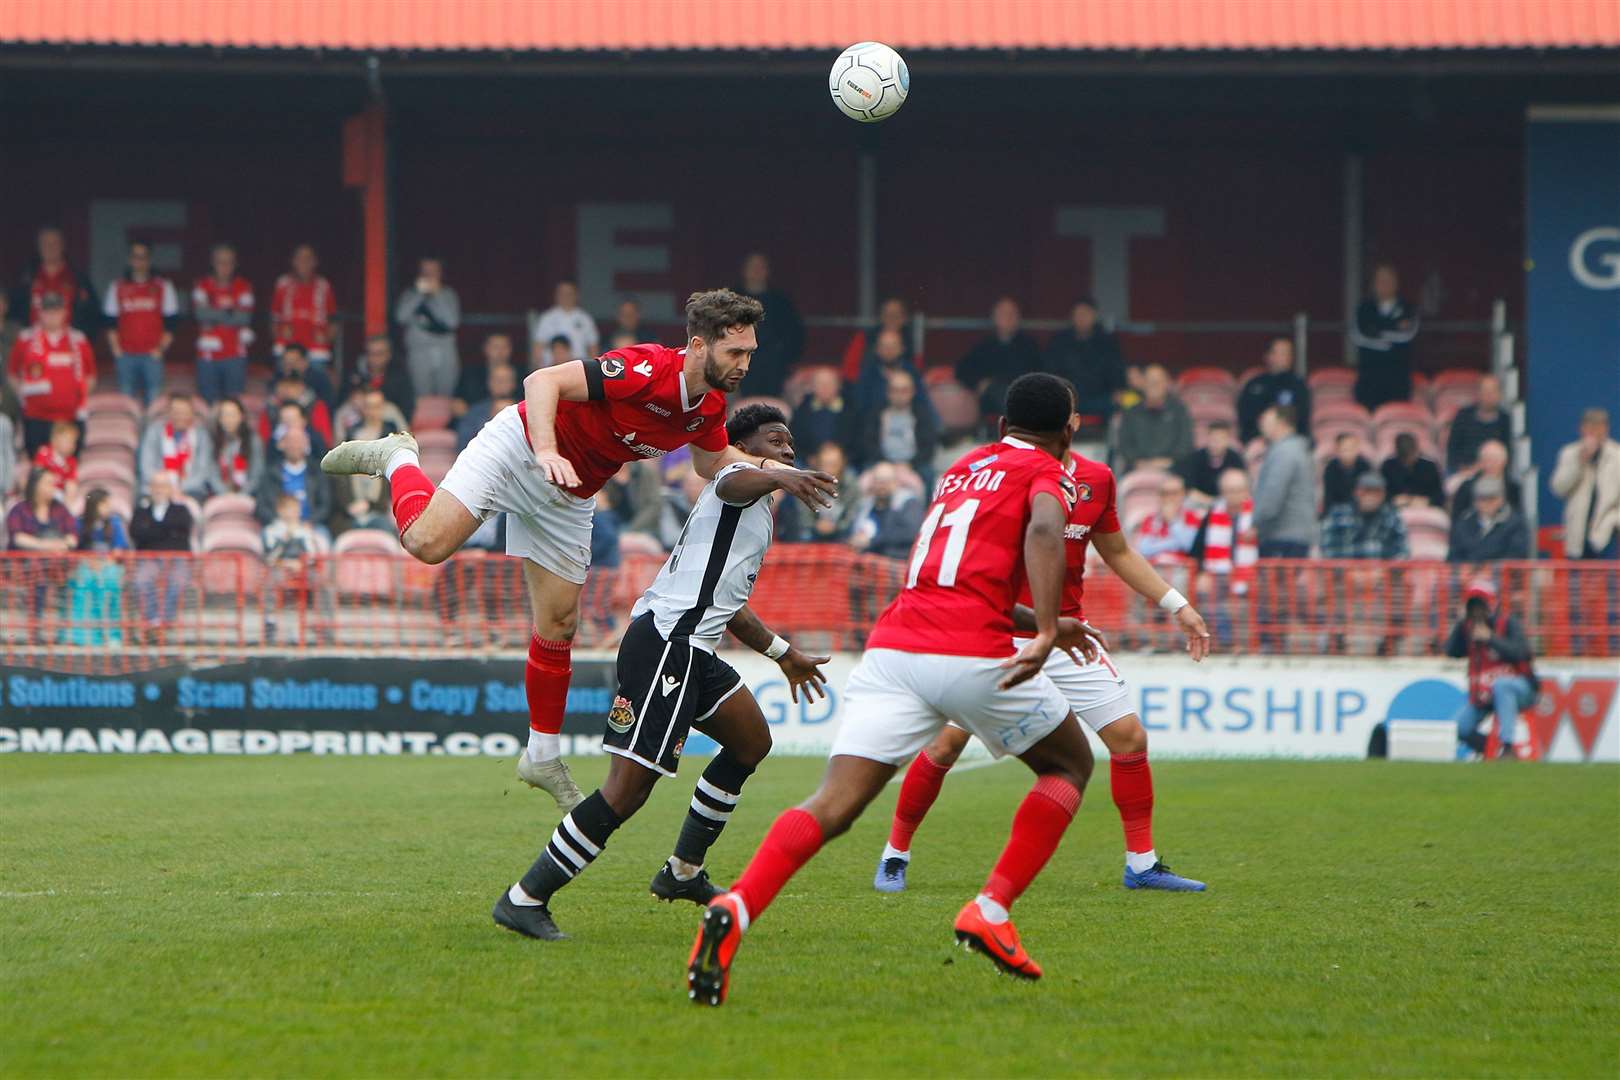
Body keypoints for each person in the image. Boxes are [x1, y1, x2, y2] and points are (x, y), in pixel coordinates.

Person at [682, 373, 1134, 1004]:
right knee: (1069, 764)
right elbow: (1041, 532)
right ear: (1070, 431)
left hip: (894, 648)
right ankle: (993, 910)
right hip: (969, 651)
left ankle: (739, 903)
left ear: (1000, 428)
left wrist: (1043, 627)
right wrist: (1051, 625)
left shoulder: (960, 469)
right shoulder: (1052, 472)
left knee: (832, 804)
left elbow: (956, 576)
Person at [320, 289, 836, 814]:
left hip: (571, 492)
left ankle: (541, 755)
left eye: (749, 352)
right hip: (521, 448)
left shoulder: (709, 406)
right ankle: (397, 458)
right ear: (699, 345)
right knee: (426, 544)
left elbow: (712, 463)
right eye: (736, 352)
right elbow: (542, 381)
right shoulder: (645, 368)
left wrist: (783, 474)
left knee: (560, 623)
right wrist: (545, 449)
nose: (745, 363)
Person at [492, 405, 835, 941]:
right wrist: (776, 473)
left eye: (792, 444)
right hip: (667, 646)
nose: (789, 451)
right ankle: (525, 898)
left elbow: (731, 606)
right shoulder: (732, 478)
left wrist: (782, 653)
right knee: (626, 793)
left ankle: (682, 873)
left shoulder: (757, 508)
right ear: (745, 447)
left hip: (694, 650)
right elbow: (736, 478)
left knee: (750, 742)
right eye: (777, 440)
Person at [872, 422, 1211, 896]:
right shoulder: (1005, 477)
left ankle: (1142, 864)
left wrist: (1178, 605)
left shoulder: (1097, 479)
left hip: (1067, 635)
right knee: (946, 746)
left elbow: (1117, 551)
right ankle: (895, 855)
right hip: (998, 632)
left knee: (1128, 737)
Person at [1447, 579, 1536, 760]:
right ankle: (1490, 749)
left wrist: (1491, 638)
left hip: (1520, 689)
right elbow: (1451, 650)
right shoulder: (1467, 628)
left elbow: (1522, 653)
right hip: (1484, 694)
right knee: (1459, 728)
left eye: (1481, 606)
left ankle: (1508, 747)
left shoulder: (1508, 623)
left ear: (1491, 605)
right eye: (1473, 607)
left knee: (1502, 686)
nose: (1478, 612)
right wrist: (1460, 624)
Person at [8, 292, 95, 455]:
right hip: (36, 417)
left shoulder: (78, 339)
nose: (52, 316)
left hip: (70, 416)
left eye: (56, 311)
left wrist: (77, 397)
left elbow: (90, 376)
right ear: (40, 313)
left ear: (64, 312)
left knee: (69, 465)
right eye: (47, 311)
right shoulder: (25, 339)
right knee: (38, 467)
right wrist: (23, 396)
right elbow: (12, 373)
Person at [1042, 297, 1126, 441]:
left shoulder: (1107, 342)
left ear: (1094, 316)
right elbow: (1050, 372)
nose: (1082, 318)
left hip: (1099, 397)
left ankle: (1108, 453)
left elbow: (1117, 370)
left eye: (1086, 314)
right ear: (1072, 317)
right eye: (1078, 314)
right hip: (1067, 399)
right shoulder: (1059, 341)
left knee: (1117, 406)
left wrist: (1118, 390)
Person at [954, 297, 1039, 429]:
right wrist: (979, 383)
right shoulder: (984, 345)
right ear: (994, 317)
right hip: (991, 399)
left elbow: (1036, 373)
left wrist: (994, 381)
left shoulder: (1029, 345)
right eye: (1003, 314)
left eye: (1011, 314)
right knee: (996, 391)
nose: (1007, 318)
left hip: (1022, 395)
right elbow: (962, 371)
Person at [129, 471, 194, 639]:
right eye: (155, 486)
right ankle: (152, 621)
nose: (159, 490)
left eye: (163, 486)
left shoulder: (181, 510)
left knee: (178, 581)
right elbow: (136, 532)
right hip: (149, 557)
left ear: (170, 489)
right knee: (140, 579)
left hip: (176, 557)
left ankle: (165, 622)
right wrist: (166, 531)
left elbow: (183, 529)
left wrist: (152, 530)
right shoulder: (141, 511)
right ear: (150, 488)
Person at [1550, 408, 1620, 559]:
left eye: (1598, 428)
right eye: (1590, 428)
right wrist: (1579, 462)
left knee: (1605, 580)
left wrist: (1615, 520)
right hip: (1577, 531)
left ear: (1606, 429)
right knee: (1578, 580)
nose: (1594, 433)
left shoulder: (1617, 456)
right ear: (1581, 429)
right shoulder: (1569, 453)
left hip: (1607, 533)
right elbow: (1559, 488)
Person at [1351, 263, 1419, 412]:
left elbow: (1406, 336)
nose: (1384, 284)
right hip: (1368, 383)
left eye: (1388, 280)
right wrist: (1393, 329)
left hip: (1398, 382)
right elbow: (1359, 337)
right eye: (1380, 280)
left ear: (1396, 283)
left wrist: (1376, 330)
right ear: (1374, 284)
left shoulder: (1408, 308)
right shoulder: (1363, 308)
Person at [734, 253, 803, 400]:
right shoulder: (731, 300)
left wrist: (783, 358)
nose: (756, 271)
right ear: (744, 270)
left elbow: (795, 335)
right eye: (752, 267)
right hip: (738, 366)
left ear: (767, 271)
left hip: (773, 367)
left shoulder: (781, 302)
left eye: (760, 267)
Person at [191, 242, 254, 404]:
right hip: (207, 355)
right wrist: (230, 312)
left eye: (229, 262)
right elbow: (200, 314)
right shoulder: (202, 285)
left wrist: (213, 313)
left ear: (235, 264)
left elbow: (244, 317)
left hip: (235, 354)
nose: (224, 266)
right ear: (213, 263)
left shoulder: (244, 286)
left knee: (233, 403)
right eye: (220, 262)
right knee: (207, 403)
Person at [1252, 405, 1315, 558]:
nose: (1262, 425)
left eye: (1266, 420)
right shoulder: (1298, 449)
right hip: (1296, 534)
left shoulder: (1284, 452)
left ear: (1281, 423)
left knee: (1276, 582)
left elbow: (1273, 494)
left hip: (1282, 535)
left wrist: (1257, 524)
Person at [68, 487, 129, 645]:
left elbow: (118, 549)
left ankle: (111, 635)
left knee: (107, 585)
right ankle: (82, 636)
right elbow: (75, 550)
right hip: (86, 566)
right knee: (83, 583)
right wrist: (89, 561)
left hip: (108, 566)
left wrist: (104, 563)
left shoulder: (114, 523)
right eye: (104, 504)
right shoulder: (79, 523)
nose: (108, 508)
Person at [395, 256, 462, 398]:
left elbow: (452, 322)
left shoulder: (448, 294)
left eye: (433, 272)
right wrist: (419, 294)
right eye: (425, 272)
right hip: (418, 352)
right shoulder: (410, 294)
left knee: (445, 397)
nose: (429, 276)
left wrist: (436, 294)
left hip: (445, 352)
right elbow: (401, 317)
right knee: (421, 397)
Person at [1115, 364, 1194, 474]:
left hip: (1174, 469)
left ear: (1167, 384)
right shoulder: (1131, 413)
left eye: (1158, 381)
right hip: (1137, 469)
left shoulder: (1180, 411)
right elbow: (1124, 445)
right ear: (1143, 383)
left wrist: (1169, 461)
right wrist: (1140, 462)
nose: (1153, 385)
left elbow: (1186, 444)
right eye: (1150, 381)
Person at [860, 369, 937, 480]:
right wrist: (886, 463)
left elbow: (928, 447)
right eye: (895, 390)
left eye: (904, 390)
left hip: (914, 465)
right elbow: (869, 443)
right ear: (888, 392)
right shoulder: (876, 413)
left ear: (912, 392)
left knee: (928, 475)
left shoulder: (922, 414)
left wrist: (910, 464)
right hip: (881, 462)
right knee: (863, 478)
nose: (899, 395)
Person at [776, 441, 860, 543]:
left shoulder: (851, 485)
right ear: (817, 464)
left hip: (842, 534)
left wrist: (836, 527)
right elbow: (803, 516)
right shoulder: (805, 483)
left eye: (834, 465)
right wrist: (816, 525)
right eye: (825, 464)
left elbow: (852, 515)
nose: (829, 470)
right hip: (811, 534)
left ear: (842, 464)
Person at [12, 225, 94, 330]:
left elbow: (92, 316)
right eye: (45, 243)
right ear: (38, 247)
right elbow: (13, 315)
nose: (50, 247)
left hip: (68, 343)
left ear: (63, 246)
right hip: (33, 342)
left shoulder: (79, 279)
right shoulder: (26, 279)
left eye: (55, 243)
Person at [256, 428, 332, 534]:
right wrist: (279, 523)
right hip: (278, 526)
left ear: (306, 444)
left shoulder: (317, 472)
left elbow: (325, 505)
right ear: (281, 444)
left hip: (311, 526)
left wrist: (310, 522)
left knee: (323, 537)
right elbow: (262, 506)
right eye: (290, 441)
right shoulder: (270, 473)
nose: (295, 446)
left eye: (299, 441)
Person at [1237, 337, 1311, 444]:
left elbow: (1301, 420)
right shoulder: (1254, 384)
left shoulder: (1299, 385)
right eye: (1280, 353)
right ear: (1267, 356)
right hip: (1257, 441)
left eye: (1287, 353)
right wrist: (1259, 439)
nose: (1284, 357)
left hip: (1291, 440)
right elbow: (1245, 418)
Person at [139, 392, 213, 498]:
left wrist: (179, 488)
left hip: (190, 490)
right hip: (156, 489)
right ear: (168, 413)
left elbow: (203, 471)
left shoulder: (201, 435)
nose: (180, 416)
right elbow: (146, 467)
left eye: (184, 412)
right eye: (176, 412)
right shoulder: (154, 431)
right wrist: (163, 487)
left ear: (192, 413)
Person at [271, 244, 336, 365]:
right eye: (299, 258)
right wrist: (278, 334)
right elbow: (273, 318)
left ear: (315, 262)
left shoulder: (324, 285)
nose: (303, 262)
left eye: (308, 259)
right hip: (287, 346)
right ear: (293, 262)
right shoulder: (282, 283)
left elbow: (333, 320)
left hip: (316, 348)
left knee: (316, 381)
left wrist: (326, 339)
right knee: (286, 382)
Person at [1320, 472, 1409, 559]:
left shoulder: (1392, 518)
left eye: (1376, 492)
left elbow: (1402, 553)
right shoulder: (1337, 515)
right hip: (1344, 571)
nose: (1370, 496)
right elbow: (1327, 550)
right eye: (1366, 491)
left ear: (1383, 495)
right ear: (1356, 492)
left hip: (1381, 572)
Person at [853, 327, 929, 422]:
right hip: (873, 427)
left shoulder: (912, 372)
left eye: (893, 346)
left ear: (902, 349)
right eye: (884, 346)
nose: (889, 350)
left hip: (910, 425)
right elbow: (860, 408)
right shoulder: (867, 374)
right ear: (877, 350)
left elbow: (922, 405)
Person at [849, 462, 923, 559]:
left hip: (895, 561)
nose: (882, 486)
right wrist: (853, 539)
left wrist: (872, 541)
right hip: (863, 562)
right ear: (872, 483)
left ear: (896, 482)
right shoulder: (866, 504)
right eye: (878, 481)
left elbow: (911, 533)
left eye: (887, 481)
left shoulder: (908, 502)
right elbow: (850, 529)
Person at [1448, 476, 1528, 563]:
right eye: (1481, 498)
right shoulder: (1463, 524)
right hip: (1468, 575)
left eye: (1492, 498)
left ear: (1501, 499)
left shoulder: (1516, 524)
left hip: (1502, 574)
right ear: (1474, 501)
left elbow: (1517, 555)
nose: (1487, 503)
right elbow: (1454, 556)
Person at [839, 297, 916, 382]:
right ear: (881, 317)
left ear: (904, 318)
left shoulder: (910, 341)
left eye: (896, 314)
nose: (891, 318)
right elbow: (849, 372)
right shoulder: (864, 337)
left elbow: (916, 373)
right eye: (887, 314)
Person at [1445, 374, 1511, 473]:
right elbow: (1453, 450)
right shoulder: (1463, 416)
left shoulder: (1505, 420)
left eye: (1493, 391)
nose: (1489, 396)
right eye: (1485, 391)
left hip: (1494, 474)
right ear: (1478, 393)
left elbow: (1507, 453)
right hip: (1464, 473)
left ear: (1499, 394)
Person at [346, 335, 416, 425]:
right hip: (358, 420)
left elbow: (406, 409)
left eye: (379, 353)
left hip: (387, 423)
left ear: (388, 355)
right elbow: (343, 398)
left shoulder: (399, 375)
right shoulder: (355, 373)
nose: (375, 358)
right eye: (371, 353)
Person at [1134, 473, 1201, 562]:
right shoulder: (1150, 519)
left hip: (1181, 571)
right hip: (1155, 569)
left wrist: (1172, 521)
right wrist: (1175, 543)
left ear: (1183, 494)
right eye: (1165, 493)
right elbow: (1144, 550)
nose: (1170, 498)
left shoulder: (1192, 517)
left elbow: (1189, 546)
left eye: (1174, 493)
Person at [790, 366, 856, 457]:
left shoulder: (852, 410)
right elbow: (793, 441)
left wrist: (841, 459)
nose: (825, 387)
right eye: (819, 383)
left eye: (829, 383)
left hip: (844, 461)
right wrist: (809, 458)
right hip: (806, 462)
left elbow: (858, 443)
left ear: (839, 385)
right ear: (812, 386)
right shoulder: (801, 411)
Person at [206, 397, 264, 497]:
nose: (229, 420)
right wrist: (225, 494)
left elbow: (257, 475)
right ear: (219, 419)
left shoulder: (253, 441)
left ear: (241, 417)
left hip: (249, 494)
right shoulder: (214, 441)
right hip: (220, 495)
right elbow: (212, 474)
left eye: (233, 415)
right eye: (225, 416)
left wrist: (241, 495)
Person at [531, 280, 599, 366]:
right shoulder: (547, 318)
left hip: (578, 368)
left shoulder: (585, 319)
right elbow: (538, 347)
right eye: (562, 293)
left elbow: (593, 348)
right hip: (551, 368)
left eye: (569, 293)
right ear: (556, 295)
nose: (566, 296)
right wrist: (540, 370)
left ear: (576, 295)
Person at [1174, 420, 1244, 502]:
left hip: (1228, 502)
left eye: (1220, 439)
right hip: (1200, 503)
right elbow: (1189, 490)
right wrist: (1211, 502)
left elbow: (1240, 487)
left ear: (1227, 440)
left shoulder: (1235, 459)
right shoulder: (1196, 458)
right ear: (1207, 438)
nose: (1216, 443)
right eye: (1213, 439)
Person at [456, 364, 519, 450]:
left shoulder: (525, 410)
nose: (502, 384)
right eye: (498, 380)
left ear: (513, 383)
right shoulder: (474, 413)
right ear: (489, 383)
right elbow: (463, 445)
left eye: (506, 380)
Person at [1451, 440, 1520, 515]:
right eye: (1486, 460)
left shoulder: (1513, 488)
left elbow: (1517, 515)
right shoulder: (1466, 487)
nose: (1489, 465)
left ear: (1504, 462)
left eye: (1494, 461)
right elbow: (1458, 517)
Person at [1381, 432, 1445, 508]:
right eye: (1404, 459)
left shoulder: (1429, 466)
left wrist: (1428, 501)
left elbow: (1440, 494)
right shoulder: (1387, 466)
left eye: (1412, 455)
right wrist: (1393, 500)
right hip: (1395, 507)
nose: (1409, 461)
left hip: (1426, 507)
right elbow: (1382, 492)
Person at [1321, 431, 1373, 515]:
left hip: (1361, 510)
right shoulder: (1330, 468)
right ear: (1337, 451)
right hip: (1338, 510)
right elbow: (1329, 496)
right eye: (1345, 449)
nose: (1349, 453)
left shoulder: (1365, 466)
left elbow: (1368, 492)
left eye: (1352, 448)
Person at [31, 421, 80, 507]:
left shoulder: (71, 461)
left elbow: (71, 482)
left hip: (60, 493)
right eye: (68, 442)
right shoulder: (44, 453)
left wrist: (70, 496)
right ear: (54, 441)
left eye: (74, 442)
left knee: (72, 492)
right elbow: (37, 474)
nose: (72, 446)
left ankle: (67, 511)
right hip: (44, 489)